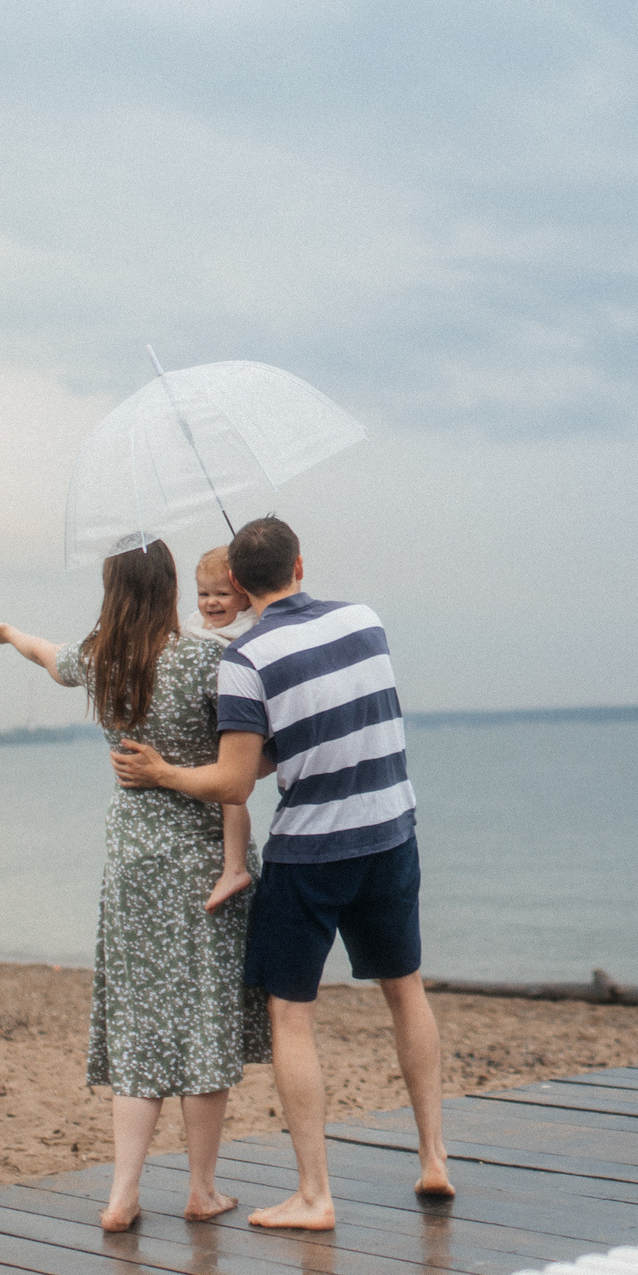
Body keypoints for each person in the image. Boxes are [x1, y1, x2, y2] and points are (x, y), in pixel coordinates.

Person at [110, 516, 451, 1231]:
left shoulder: (245, 659)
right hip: (391, 830)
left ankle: (315, 1194)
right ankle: (434, 1158)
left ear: (234, 584)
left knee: (292, 1015)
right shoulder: (365, 619)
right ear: (301, 564)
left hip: (313, 852)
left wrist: (164, 771)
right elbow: (320, 728)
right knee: (405, 988)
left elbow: (237, 782)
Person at [0, 539, 269, 1232]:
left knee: (140, 1024)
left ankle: (122, 1194)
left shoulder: (103, 658)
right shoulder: (206, 658)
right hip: (200, 858)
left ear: (113, 591)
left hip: (133, 859)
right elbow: (244, 757)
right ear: (169, 587)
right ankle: (200, 1188)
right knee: (203, 1022)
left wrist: (11, 632)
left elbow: (48, 656)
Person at [183, 546, 258, 912]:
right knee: (224, 794)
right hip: (215, 720)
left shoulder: (250, 626)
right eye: (203, 594)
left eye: (222, 594)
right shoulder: (195, 627)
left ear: (244, 595)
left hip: (243, 722)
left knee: (232, 793)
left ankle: (235, 868)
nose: (211, 603)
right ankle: (233, 867)